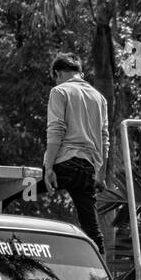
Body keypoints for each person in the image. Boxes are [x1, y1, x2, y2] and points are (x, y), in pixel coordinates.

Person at [42, 53, 109, 252]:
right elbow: (105, 139)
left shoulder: (59, 91)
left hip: (64, 163)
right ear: (80, 73)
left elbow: (56, 130)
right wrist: (101, 174)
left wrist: (48, 168)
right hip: (88, 169)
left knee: (18, 190)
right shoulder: (100, 98)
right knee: (92, 228)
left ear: (57, 73)